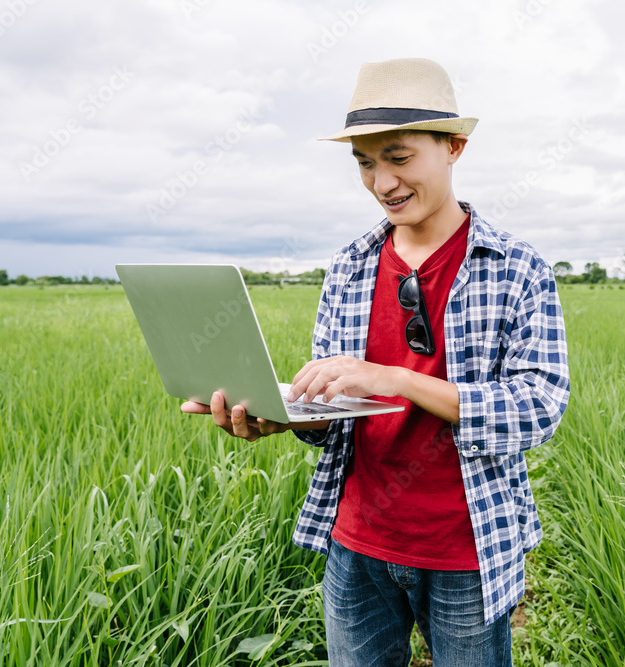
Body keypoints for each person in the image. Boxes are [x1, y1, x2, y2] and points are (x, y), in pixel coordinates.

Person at [182, 57, 569, 666]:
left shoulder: (516, 267)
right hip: (357, 541)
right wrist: (285, 416)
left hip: (466, 544)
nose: (381, 182)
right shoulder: (349, 266)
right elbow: (336, 409)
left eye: (398, 157)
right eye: (364, 163)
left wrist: (398, 379)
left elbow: (540, 406)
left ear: (454, 147)